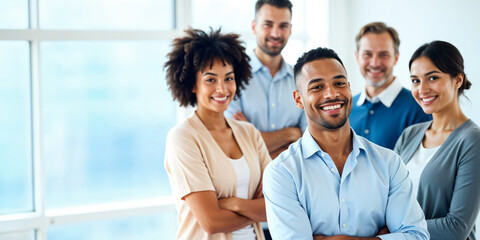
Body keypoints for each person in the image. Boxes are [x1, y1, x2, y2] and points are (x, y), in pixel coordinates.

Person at [263, 47, 429, 240]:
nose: (332, 93)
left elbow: (417, 236)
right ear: (298, 99)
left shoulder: (389, 163)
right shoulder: (282, 173)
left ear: (349, 88)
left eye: (339, 83)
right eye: (317, 87)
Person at [164, 28, 271, 240]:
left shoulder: (249, 132)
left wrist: (235, 204)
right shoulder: (183, 138)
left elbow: (279, 202)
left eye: (228, 78)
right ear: (192, 84)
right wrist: (257, 210)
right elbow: (211, 222)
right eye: (210, 80)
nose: (222, 89)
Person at [394, 40, 480, 240]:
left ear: (458, 80)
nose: (422, 89)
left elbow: (456, 228)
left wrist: (394, 229)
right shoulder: (410, 135)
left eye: (432, 78)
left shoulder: (472, 141)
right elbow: (386, 199)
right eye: (415, 81)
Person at [226, 0, 307, 159]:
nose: (276, 34)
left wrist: (254, 137)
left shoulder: (302, 81)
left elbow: (309, 143)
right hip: (247, 183)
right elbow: (235, 142)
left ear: (290, 30)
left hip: (293, 181)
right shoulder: (231, 79)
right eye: (268, 25)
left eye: (283, 26)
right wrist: (292, 133)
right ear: (254, 27)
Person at [349, 22, 431, 149]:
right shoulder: (346, 108)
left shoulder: (419, 107)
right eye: (367, 54)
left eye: (383, 55)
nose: (375, 63)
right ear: (357, 57)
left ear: (396, 57)